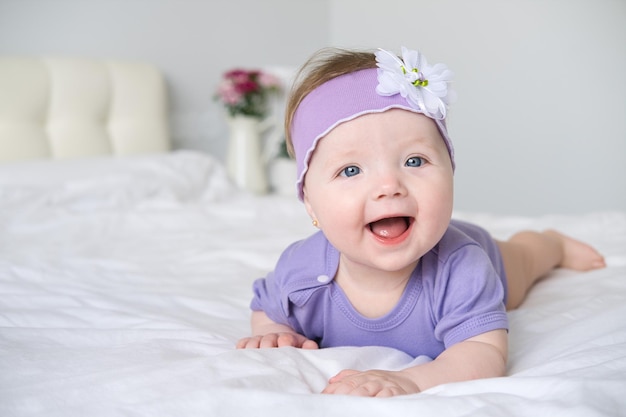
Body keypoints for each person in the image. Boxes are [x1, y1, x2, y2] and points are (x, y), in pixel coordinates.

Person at [236, 46, 606, 397]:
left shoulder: (463, 267)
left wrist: (411, 381)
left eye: (414, 161)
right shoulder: (302, 273)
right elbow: (266, 306)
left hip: (491, 261)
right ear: (310, 205)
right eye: (351, 170)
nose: (388, 186)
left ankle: (551, 242)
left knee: (527, 258)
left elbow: (482, 353)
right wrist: (275, 332)